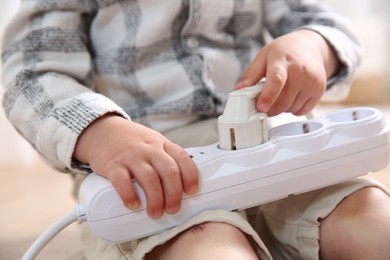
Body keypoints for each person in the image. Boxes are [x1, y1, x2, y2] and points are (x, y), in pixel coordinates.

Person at [2, 0, 390, 259]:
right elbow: (29, 73)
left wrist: (313, 45)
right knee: (212, 247)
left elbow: (323, 20)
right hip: (152, 171)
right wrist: (100, 132)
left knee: (371, 219)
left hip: (272, 147)